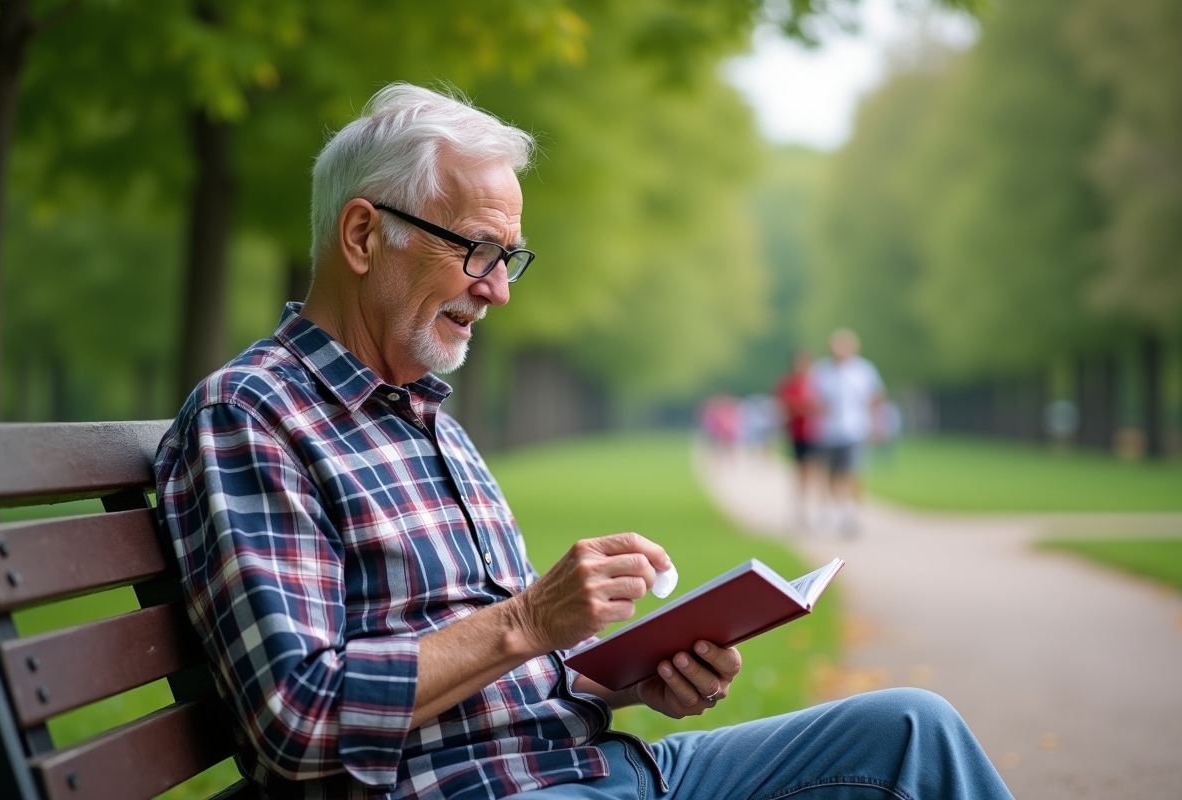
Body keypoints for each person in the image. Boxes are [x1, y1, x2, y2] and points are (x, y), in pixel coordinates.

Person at [154, 83, 1013, 800]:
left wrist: (624, 676)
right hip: (487, 789)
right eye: (480, 252)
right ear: (363, 236)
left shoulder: (427, 418)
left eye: (511, 259)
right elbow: (295, 718)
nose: (499, 292)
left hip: (587, 766)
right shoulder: (253, 414)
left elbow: (497, 665)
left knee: (911, 731)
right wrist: (528, 619)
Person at [811, 329, 886, 534]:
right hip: (828, 431)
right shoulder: (822, 371)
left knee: (853, 472)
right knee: (831, 474)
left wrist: (877, 424)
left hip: (855, 429)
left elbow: (875, 398)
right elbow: (814, 400)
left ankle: (852, 513)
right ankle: (839, 509)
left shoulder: (864, 370)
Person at [775, 349, 823, 530]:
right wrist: (804, 408)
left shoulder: (815, 382)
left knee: (817, 473)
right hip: (798, 433)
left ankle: (819, 511)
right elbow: (786, 407)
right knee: (801, 473)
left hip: (816, 433)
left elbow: (822, 406)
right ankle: (800, 511)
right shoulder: (789, 383)